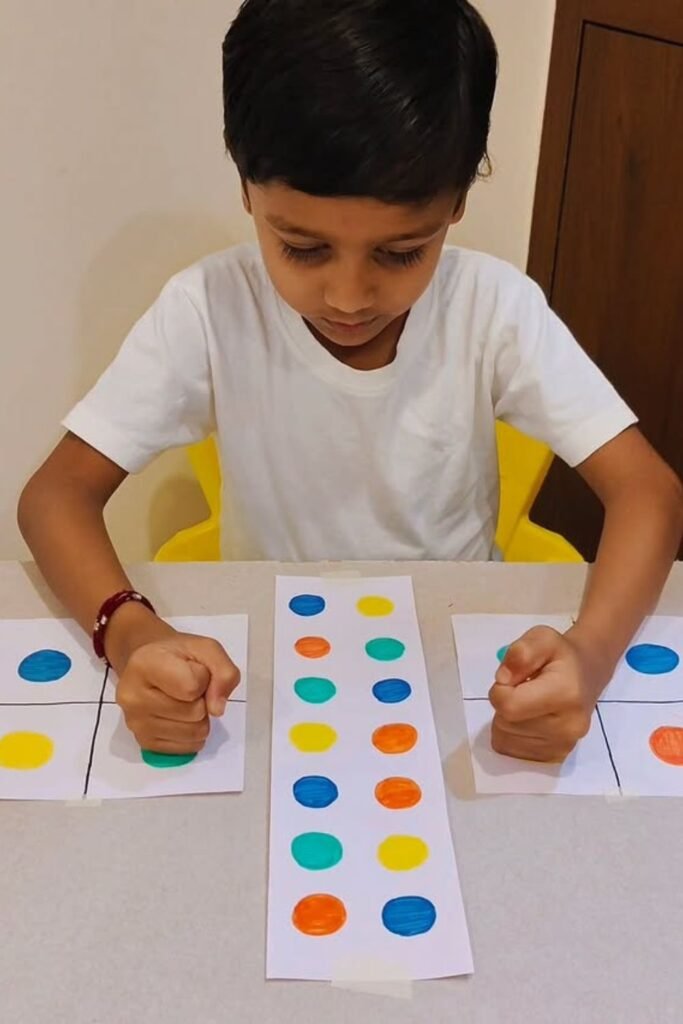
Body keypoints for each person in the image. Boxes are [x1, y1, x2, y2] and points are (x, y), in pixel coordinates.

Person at [18, 0, 683, 764]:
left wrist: (591, 653)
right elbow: (54, 496)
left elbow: (648, 491)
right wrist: (130, 630)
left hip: (452, 665)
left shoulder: (493, 308)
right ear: (245, 187)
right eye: (301, 249)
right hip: (269, 672)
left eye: (400, 253)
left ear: (458, 201)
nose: (347, 297)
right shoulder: (208, 308)